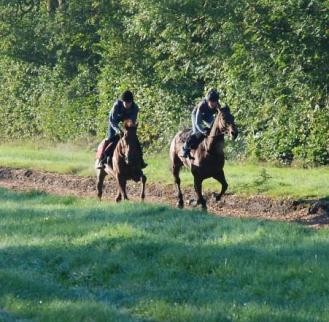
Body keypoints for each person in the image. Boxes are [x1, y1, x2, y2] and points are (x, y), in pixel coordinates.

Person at [97, 90, 147, 169]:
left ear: (132, 102)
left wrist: (127, 132)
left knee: (134, 139)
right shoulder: (117, 105)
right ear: (122, 101)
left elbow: (131, 122)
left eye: (129, 103)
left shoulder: (135, 108)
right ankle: (101, 159)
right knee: (111, 138)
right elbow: (112, 120)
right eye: (125, 103)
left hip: (126, 122)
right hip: (114, 121)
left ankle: (141, 160)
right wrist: (117, 130)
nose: (127, 105)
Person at [181, 88, 221, 159]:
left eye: (214, 102)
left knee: (214, 129)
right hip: (196, 114)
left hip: (207, 115)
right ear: (208, 100)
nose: (212, 104)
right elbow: (197, 123)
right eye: (211, 101)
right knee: (197, 132)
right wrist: (203, 131)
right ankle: (185, 149)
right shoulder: (202, 105)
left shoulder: (218, 105)